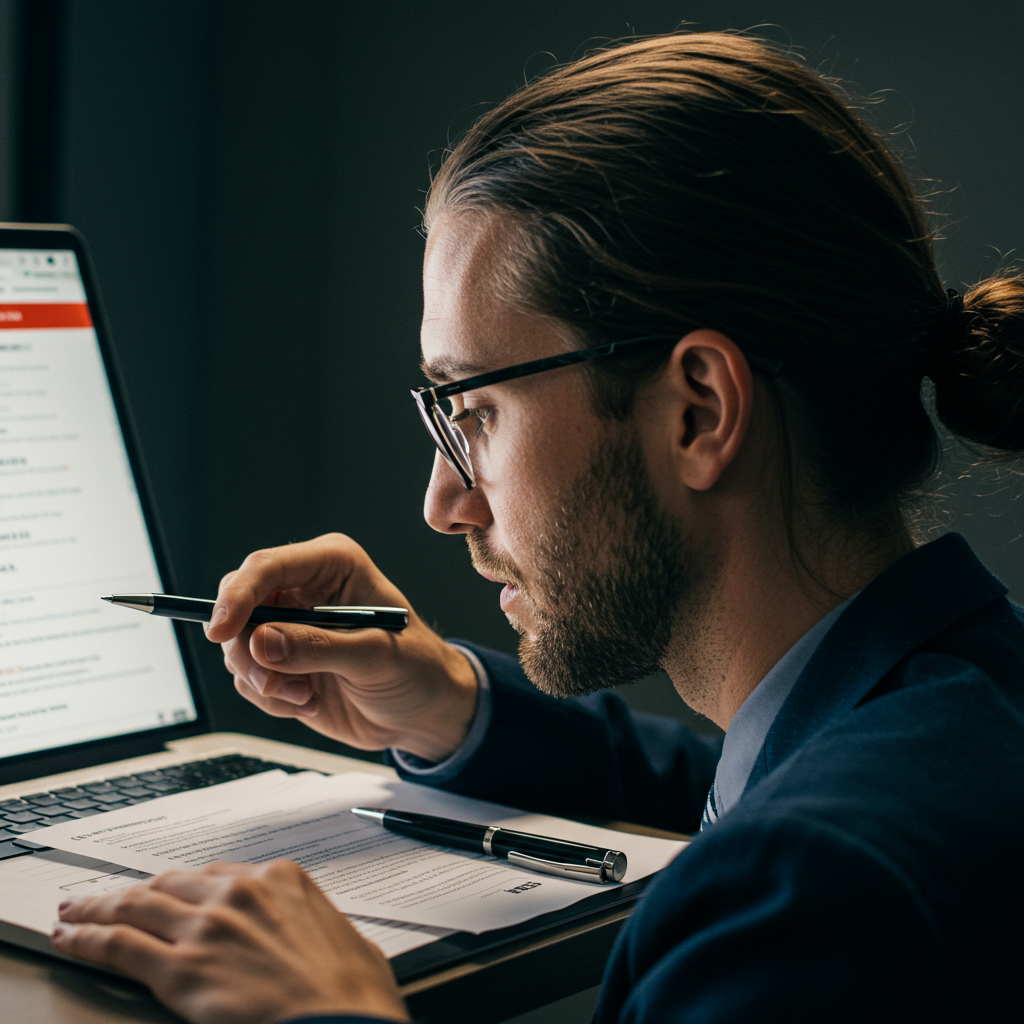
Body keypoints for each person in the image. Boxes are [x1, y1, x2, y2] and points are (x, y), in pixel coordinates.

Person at [50, 31, 1023, 1023]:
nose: (442, 502)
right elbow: (729, 784)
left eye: (471, 408)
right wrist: (451, 704)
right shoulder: (963, 694)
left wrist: (326, 1011)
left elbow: (788, 841)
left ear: (697, 410)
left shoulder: (811, 891)